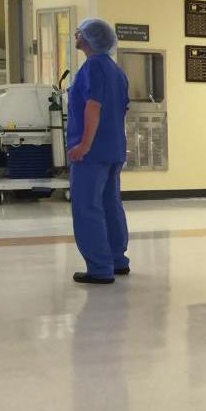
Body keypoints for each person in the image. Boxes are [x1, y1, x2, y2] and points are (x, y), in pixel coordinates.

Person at [66, 18, 130, 284]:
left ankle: (99, 268)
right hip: (113, 148)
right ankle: (117, 260)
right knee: (109, 203)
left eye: (79, 32)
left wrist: (84, 145)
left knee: (87, 207)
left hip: (91, 153)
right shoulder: (116, 71)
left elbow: (94, 107)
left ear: (89, 38)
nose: (75, 35)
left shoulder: (92, 67)